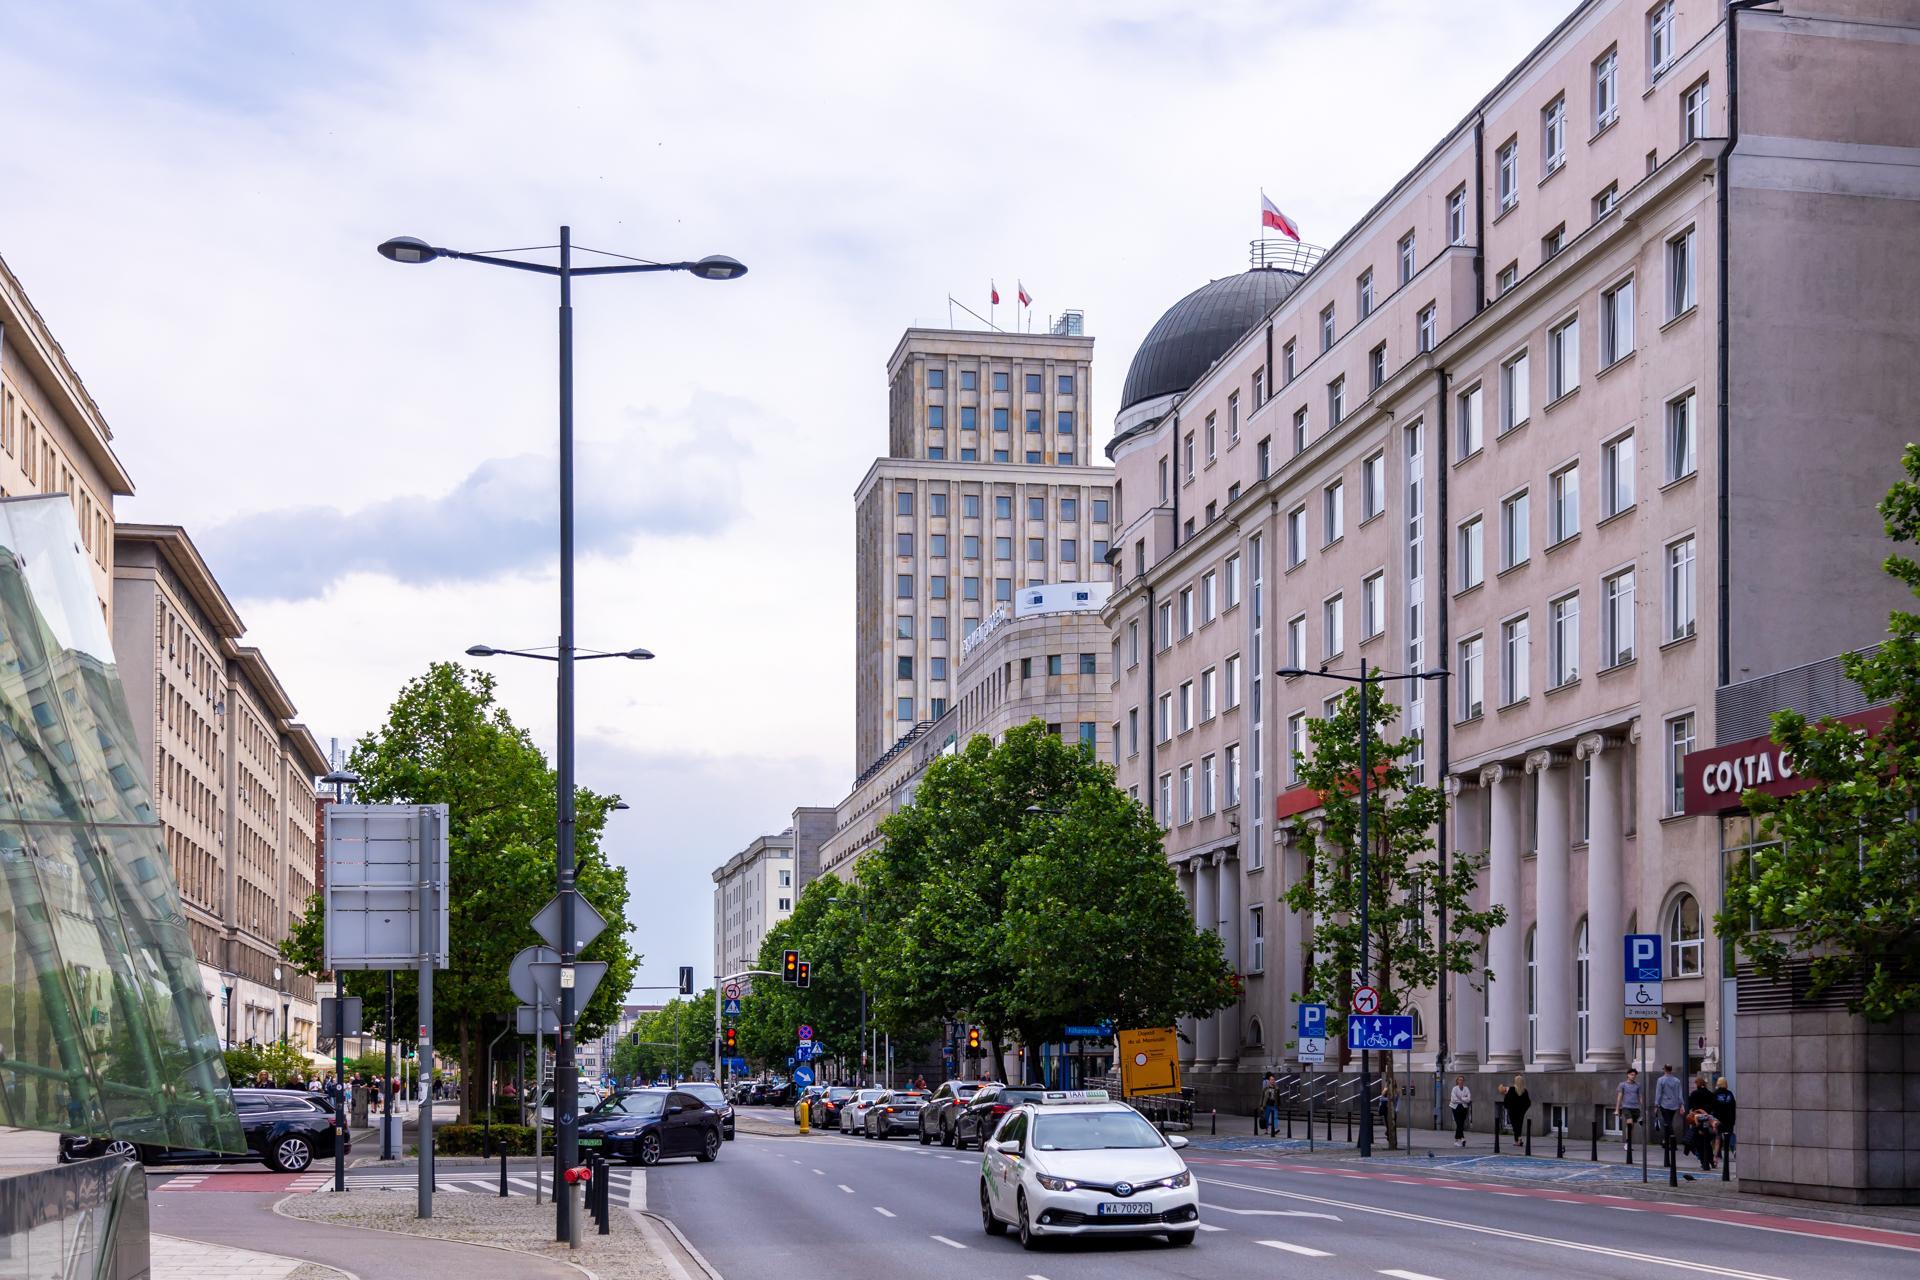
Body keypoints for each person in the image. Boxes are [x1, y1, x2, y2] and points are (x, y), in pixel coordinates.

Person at [1652, 1064, 1686, 1151]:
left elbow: (1658, 1093)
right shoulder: (1677, 1080)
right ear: (1671, 1070)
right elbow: (1679, 1094)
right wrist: (1681, 1105)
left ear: (1664, 1070)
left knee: (1668, 1123)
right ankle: (1665, 1141)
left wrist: (1656, 1105)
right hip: (1674, 1105)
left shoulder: (1661, 1080)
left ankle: (1673, 1142)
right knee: (1669, 1121)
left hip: (1664, 1104)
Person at [1615, 1068, 1643, 1155]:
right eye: (1631, 1075)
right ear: (1628, 1075)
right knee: (1629, 1122)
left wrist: (1642, 1108)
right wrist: (1617, 1109)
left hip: (1635, 1107)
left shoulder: (1638, 1085)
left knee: (1632, 1126)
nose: (1633, 1076)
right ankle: (1627, 1143)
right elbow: (1619, 1096)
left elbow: (1640, 1097)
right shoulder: (1622, 1085)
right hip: (1626, 1107)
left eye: (1634, 1075)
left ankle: (1629, 1142)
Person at [1712, 1076, 1738, 1165]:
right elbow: (1734, 1107)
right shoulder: (1730, 1094)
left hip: (1719, 1119)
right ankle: (1734, 1149)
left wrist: (1713, 1121)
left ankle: (1716, 1157)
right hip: (1729, 1119)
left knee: (1718, 1137)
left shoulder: (1715, 1094)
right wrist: (1734, 1119)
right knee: (1730, 1134)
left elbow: (1713, 1108)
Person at [1502, 1074, 1531, 1144]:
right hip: (1521, 1112)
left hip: (1512, 1111)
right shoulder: (1525, 1091)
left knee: (1515, 1126)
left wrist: (1508, 1108)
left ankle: (1517, 1140)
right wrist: (1523, 1110)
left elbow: (1506, 1101)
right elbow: (1528, 1102)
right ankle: (1518, 1139)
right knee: (1519, 1125)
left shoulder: (1511, 1090)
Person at [1448, 1075, 1472, 1146]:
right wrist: (1463, 1099)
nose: (1461, 1081)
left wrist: (1461, 1099)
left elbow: (1469, 1099)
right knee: (1458, 1123)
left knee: (1461, 1123)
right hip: (1455, 1107)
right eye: (1459, 1080)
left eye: (1462, 1080)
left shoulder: (1466, 1088)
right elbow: (1454, 1100)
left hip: (1464, 1107)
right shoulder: (1454, 1089)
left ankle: (1459, 1139)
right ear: (1457, 1081)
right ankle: (1460, 1139)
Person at [1261, 1072, 1279, 1137]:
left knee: (1275, 1117)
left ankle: (1276, 1128)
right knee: (1267, 1116)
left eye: (1273, 1080)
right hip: (1267, 1104)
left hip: (1274, 1104)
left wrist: (1279, 1104)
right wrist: (1262, 1105)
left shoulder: (1276, 1088)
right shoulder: (1266, 1088)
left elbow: (1278, 1097)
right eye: (1271, 1080)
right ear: (1268, 1080)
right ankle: (1266, 1129)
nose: (1273, 1081)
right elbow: (1262, 1096)